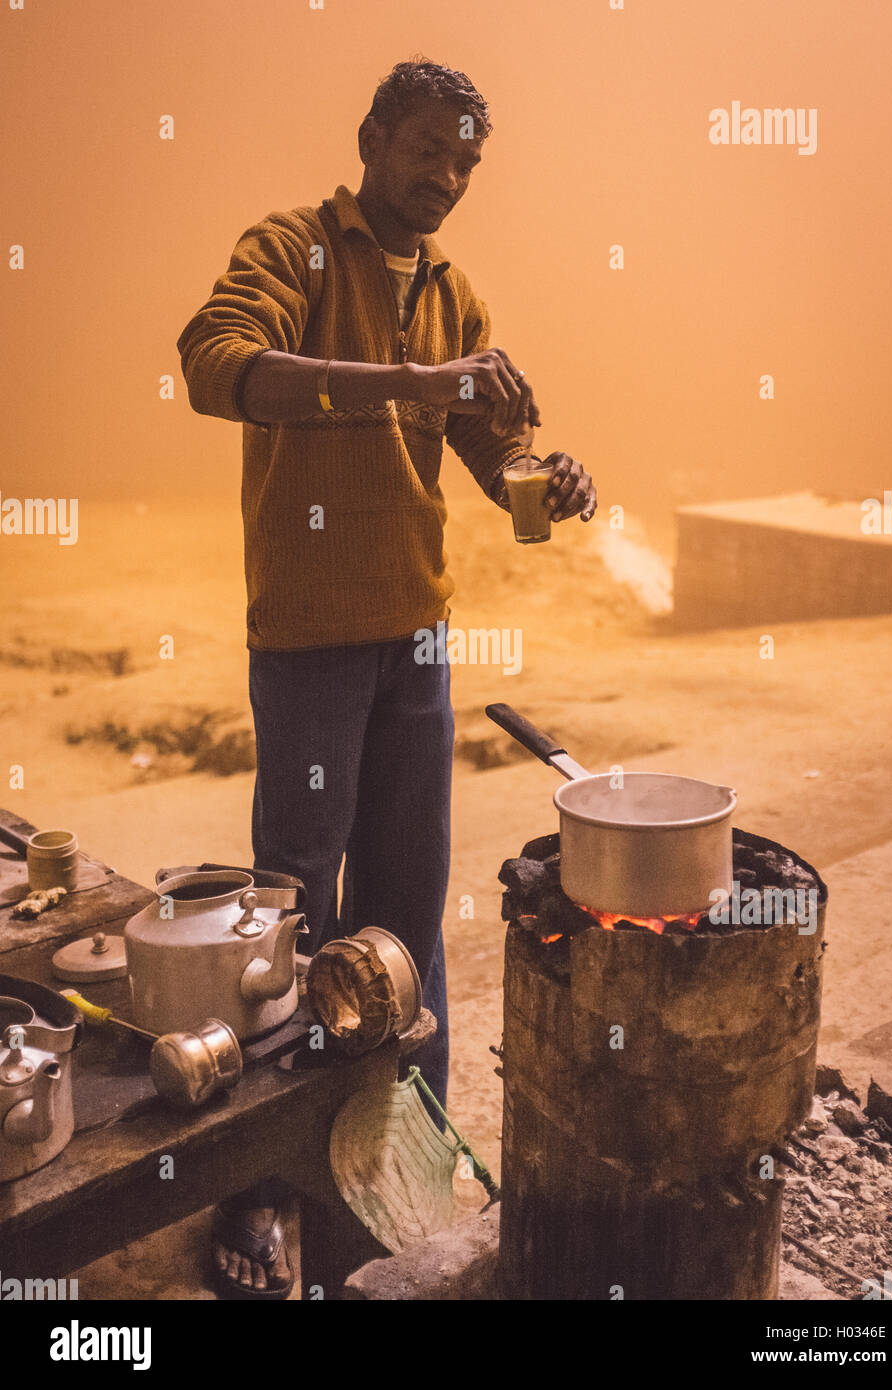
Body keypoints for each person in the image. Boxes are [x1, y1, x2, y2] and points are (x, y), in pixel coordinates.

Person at [176, 57, 596, 1299]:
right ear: (371, 137)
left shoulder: (456, 292)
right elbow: (216, 367)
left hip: (419, 641)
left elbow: (486, 450)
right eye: (428, 149)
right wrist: (417, 383)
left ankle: (403, 1173)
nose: (447, 177)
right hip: (306, 639)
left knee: (408, 916)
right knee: (292, 921)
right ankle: (259, 1195)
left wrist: (545, 469)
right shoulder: (295, 248)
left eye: (466, 161)